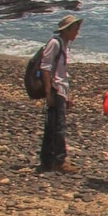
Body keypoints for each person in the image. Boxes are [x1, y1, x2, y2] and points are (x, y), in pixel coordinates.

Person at [37, 15, 82, 173]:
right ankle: (59, 161)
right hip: (55, 89)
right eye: (75, 29)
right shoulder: (55, 43)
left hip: (60, 89)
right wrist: (49, 92)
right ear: (67, 30)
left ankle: (47, 160)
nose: (77, 33)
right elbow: (45, 68)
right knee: (58, 126)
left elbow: (61, 72)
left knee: (52, 126)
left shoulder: (63, 44)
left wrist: (67, 94)